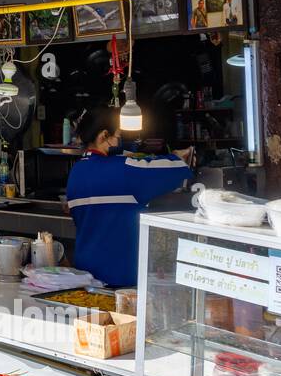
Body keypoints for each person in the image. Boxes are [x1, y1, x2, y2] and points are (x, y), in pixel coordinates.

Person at [66, 106, 193, 288]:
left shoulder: (76, 171)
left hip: (85, 274)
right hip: (120, 277)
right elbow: (178, 170)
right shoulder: (124, 169)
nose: (120, 141)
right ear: (103, 136)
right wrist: (178, 156)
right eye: (117, 136)